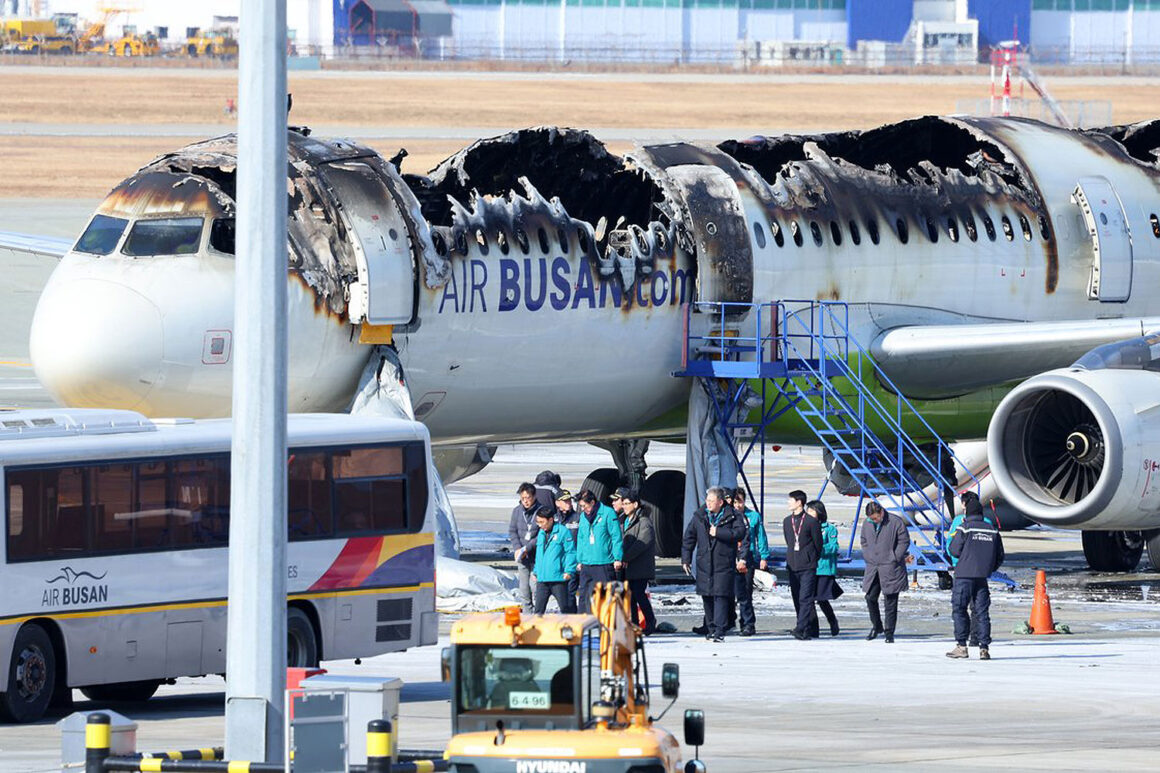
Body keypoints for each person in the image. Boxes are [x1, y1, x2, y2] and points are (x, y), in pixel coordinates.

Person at [682, 487, 747, 643]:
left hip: (723, 562)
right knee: (707, 596)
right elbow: (689, 537)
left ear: (720, 501)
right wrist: (686, 558)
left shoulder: (732, 515)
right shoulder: (700, 516)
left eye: (712, 501)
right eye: (707, 500)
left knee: (720, 596)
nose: (709, 504)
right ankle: (710, 628)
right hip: (704, 562)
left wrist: (719, 532)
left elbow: (740, 533)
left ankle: (719, 630)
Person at [946, 499, 1004, 660]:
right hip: (982, 577)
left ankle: (961, 646)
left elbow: (954, 550)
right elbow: (1000, 556)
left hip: (964, 575)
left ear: (968, 512)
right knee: (982, 612)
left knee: (959, 609)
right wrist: (989, 568)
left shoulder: (964, 528)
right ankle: (984, 648)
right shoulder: (992, 530)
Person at [860, 501, 911, 643]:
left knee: (890, 600)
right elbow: (863, 541)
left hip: (891, 567)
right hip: (873, 567)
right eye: (872, 519)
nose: (874, 520)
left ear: (881, 512)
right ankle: (877, 626)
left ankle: (889, 632)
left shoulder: (895, 522)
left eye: (876, 518)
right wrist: (867, 554)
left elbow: (904, 541)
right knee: (870, 597)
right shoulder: (867, 524)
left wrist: (894, 556)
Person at [783, 489, 823, 640]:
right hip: (793, 565)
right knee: (796, 597)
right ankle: (806, 627)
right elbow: (789, 540)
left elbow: (818, 544)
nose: (788, 502)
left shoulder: (811, 522)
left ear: (799, 502)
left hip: (808, 566)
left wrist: (811, 558)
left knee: (805, 598)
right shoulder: (787, 521)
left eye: (790, 500)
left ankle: (800, 628)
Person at [575, 489, 623, 614]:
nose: (583, 509)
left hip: (603, 562)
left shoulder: (608, 513)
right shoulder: (583, 517)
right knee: (584, 597)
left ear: (592, 502)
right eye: (581, 506)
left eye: (585, 506)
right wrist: (579, 559)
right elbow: (581, 539)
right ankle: (584, 624)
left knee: (605, 597)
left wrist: (618, 558)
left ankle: (608, 624)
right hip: (587, 563)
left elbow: (616, 537)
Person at [732, 487, 770, 637]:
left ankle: (748, 623)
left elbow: (761, 537)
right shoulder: (729, 516)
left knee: (745, 593)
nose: (737, 505)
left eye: (740, 502)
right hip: (730, 558)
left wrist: (764, 557)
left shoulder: (753, 517)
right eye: (735, 502)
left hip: (748, 558)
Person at [620, 488, 657, 634]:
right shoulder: (624, 520)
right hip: (629, 567)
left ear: (635, 505)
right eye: (623, 503)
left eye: (627, 503)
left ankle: (650, 621)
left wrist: (625, 557)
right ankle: (634, 623)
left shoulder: (644, 522)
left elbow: (642, 542)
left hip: (640, 566)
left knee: (638, 594)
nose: (624, 506)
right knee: (631, 596)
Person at [532, 505, 576, 615]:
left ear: (551, 520)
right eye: (538, 522)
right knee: (538, 611)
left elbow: (570, 552)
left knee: (565, 609)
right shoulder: (541, 533)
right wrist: (536, 571)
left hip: (558, 579)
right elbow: (539, 554)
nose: (540, 525)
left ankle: (570, 630)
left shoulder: (563, 531)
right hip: (542, 579)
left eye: (542, 522)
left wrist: (569, 570)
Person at [808, 500, 843, 637]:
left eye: (811, 510)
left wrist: (818, 548)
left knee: (821, 598)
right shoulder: (807, 527)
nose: (809, 513)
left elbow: (834, 547)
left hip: (824, 568)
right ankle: (813, 627)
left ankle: (832, 620)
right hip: (810, 567)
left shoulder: (829, 529)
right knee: (809, 598)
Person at [508, 482, 541, 612]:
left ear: (534, 496)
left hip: (535, 555)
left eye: (528, 498)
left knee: (535, 585)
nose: (526, 501)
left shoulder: (540, 511)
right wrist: (517, 548)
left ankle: (538, 613)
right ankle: (527, 614)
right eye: (523, 498)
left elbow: (542, 534)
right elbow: (512, 531)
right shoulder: (517, 511)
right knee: (524, 588)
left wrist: (528, 547)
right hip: (522, 555)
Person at [555, 489, 580, 613]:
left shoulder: (578, 518)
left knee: (570, 593)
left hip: (573, 562)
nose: (568, 503)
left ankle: (573, 619)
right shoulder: (553, 519)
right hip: (558, 562)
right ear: (557, 503)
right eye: (565, 501)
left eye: (569, 500)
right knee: (561, 594)